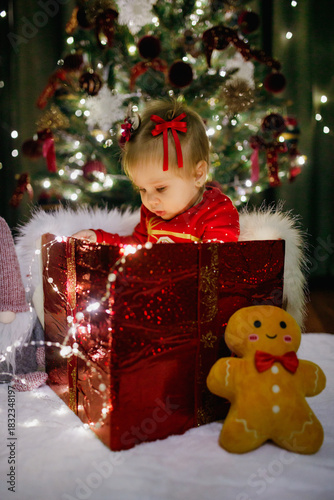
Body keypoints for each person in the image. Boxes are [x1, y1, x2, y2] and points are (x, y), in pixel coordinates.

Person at [72, 99, 239, 244]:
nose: (150, 200)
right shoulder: (151, 214)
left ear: (198, 174)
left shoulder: (215, 213)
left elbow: (217, 265)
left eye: (161, 188)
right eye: (142, 190)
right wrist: (99, 238)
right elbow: (136, 244)